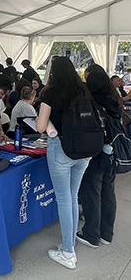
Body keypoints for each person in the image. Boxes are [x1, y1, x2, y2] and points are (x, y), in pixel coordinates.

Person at [36, 56, 93, 270]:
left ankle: (68, 252)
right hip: (84, 150)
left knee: (64, 199)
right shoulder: (83, 90)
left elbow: (41, 126)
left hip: (61, 149)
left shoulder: (52, 92)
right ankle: (69, 243)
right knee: (72, 196)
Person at [77, 65, 121, 249]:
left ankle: (91, 234)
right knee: (108, 191)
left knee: (92, 191)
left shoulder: (91, 104)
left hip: (96, 153)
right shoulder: (114, 102)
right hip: (113, 153)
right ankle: (106, 233)